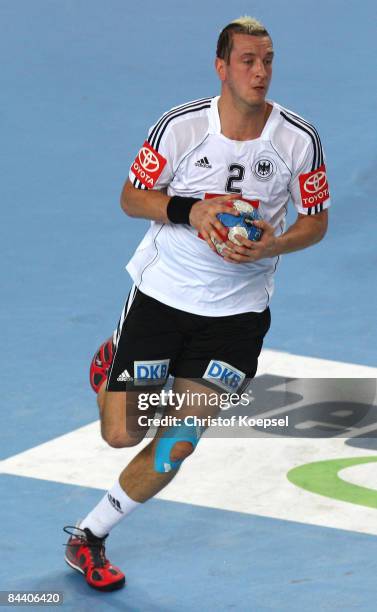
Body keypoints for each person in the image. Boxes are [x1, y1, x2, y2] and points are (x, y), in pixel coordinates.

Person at [64, 16, 330, 591]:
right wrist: (194, 210)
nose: (260, 72)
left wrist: (276, 243)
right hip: (164, 298)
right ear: (221, 67)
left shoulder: (298, 140)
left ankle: (89, 537)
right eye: (247, 61)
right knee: (122, 434)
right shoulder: (181, 128)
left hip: (237, 316)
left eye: (267, 60)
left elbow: (316, 221)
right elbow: (132, 198)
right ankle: (115, 359)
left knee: (178, 443)